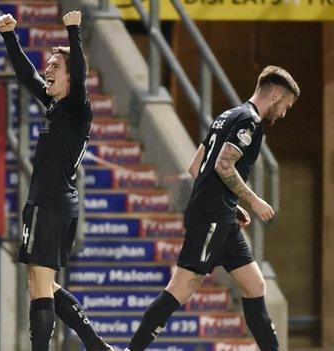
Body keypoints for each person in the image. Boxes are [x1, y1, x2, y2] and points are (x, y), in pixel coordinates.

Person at [125, 66, 300, 351]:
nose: (283, 114)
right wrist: (253, 201)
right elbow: (222, 164)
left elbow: (196, 166)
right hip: (212, 217)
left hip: (221, 214)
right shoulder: (251, 121)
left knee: (255, 285)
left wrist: (230, 203)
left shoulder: (227, 115)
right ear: (276, 95)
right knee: (180, 289)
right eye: (285, 106)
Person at [0, 11, 114, 351]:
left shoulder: (78, 106)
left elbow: (78, 74)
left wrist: (74, 30)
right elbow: (26, 75)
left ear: (71, 77)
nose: (47, 70)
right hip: (48, 202)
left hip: (52, 204)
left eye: (55, 67)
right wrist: (9, 37)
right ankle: (95, 344)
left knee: (39, 283)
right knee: (41, 284)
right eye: (48, 65)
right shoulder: (55, 105)